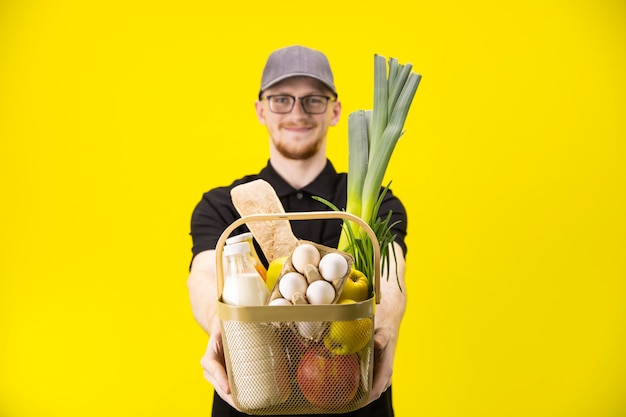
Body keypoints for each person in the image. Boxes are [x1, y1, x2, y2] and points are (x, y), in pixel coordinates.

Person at [187, 45, 408, 417]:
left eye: (313, 100)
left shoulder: (374, 204)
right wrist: (216, 324)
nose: (297, 112)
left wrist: (385, 330)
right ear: (260, 110)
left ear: (335, 111)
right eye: (281, 99)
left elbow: (391, 272)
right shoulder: (224, 204)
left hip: (354, 397)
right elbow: (205, 274)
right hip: (253, 396)